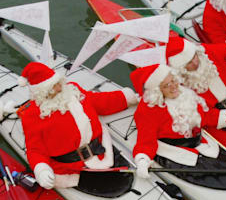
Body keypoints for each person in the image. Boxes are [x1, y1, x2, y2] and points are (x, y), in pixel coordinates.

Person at [16, 61, 139, 190]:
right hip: (70, 167)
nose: (60, 87)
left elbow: (98, 101)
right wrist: (41, 169)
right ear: (42, 92)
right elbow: (35, 149)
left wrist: (125, 98)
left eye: (59, 82)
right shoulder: (32, 115)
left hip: (100, 150)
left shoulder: (73, 89)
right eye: (53, 86)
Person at [129, 63, 226, 189]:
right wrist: (142, 161)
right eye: (167, 85)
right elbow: (146, 140)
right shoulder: (148, 111)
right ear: (156, 90)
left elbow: (203, 115)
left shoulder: (184, 93)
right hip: (174, 152)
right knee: (223, 180)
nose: (174, 86)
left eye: (173, 80)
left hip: (200, 143)